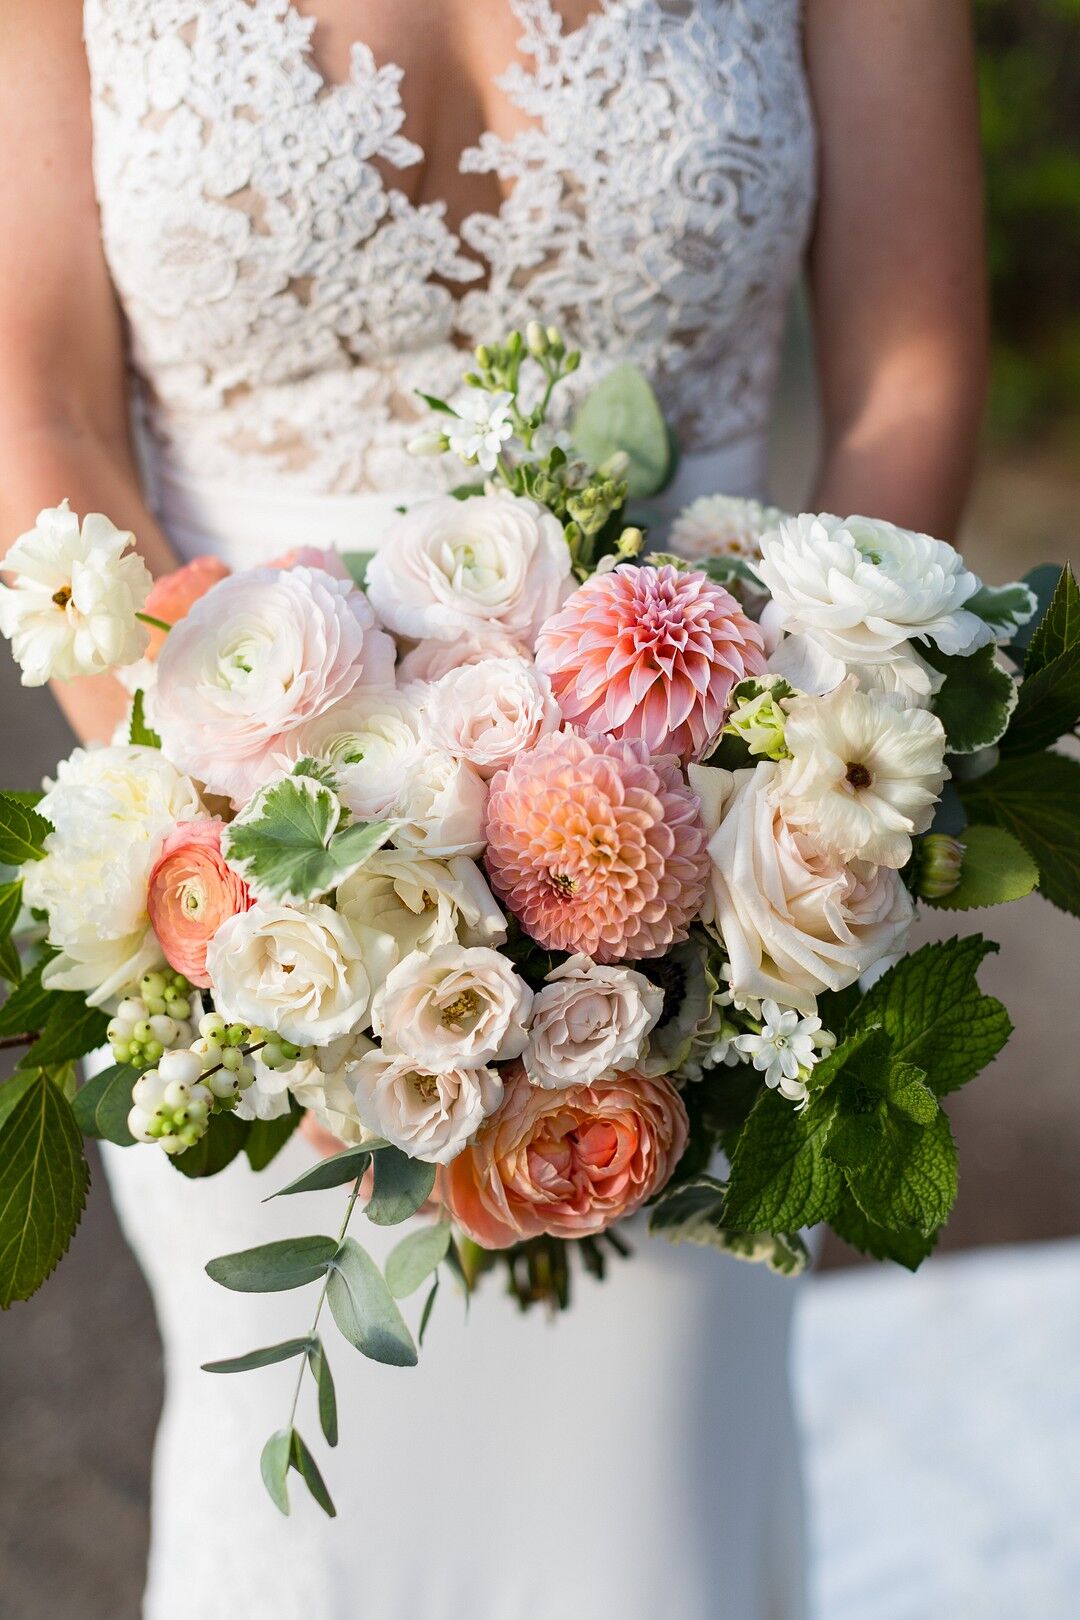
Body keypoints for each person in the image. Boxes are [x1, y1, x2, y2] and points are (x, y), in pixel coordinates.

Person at [0, 3, 987, 1616]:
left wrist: (775, 796)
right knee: (299, 1505)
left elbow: (913, 364)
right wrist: (233, 872)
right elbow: (38, 409)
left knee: (651, 1510)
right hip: (257, 902)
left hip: (711, 907)